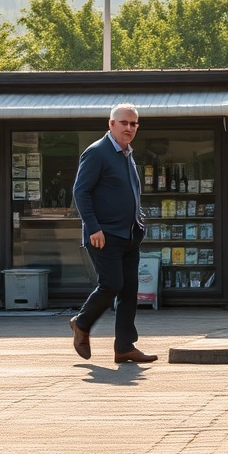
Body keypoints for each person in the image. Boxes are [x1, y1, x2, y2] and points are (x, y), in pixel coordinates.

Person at [69, 102, 157, 364]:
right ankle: (82, 324)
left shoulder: (127, 154)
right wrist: (93, 227)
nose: (129, 128)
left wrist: (138, 221)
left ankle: (125, 347)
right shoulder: (97, 152)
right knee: (112, 284)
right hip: (104, 235)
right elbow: (80, 192)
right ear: (111, 124)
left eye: (133, 124)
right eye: (124, 123)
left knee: (130, 290)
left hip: (129, 235)